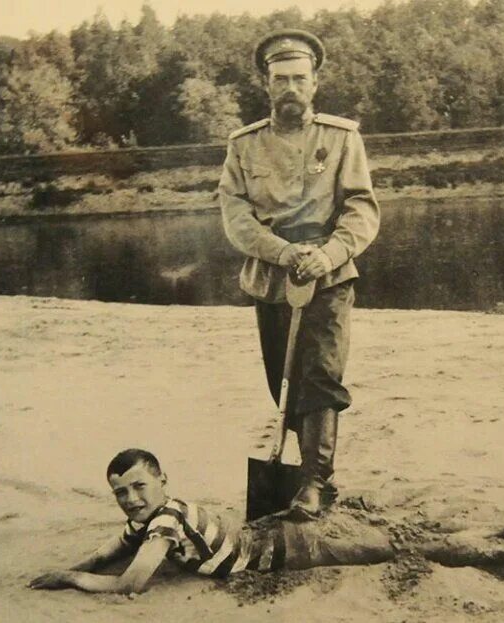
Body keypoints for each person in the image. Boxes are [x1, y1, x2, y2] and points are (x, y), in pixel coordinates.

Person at [218, 29, 380, 520]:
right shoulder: (243, 146)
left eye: (299, 79)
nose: (290, 87)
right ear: (266, 84)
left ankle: (315, 482)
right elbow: (236, 215)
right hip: (272, 275)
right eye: (280, 79)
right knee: (282, 378)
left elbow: (361, 207)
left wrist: (329, 255)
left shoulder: (341, 137)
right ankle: (299, 469)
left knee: (321, 375)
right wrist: (283, 252)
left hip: (329, 276)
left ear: (316, 82)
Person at [27, 449, 394, 595]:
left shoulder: (165, 521)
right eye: (121, 493)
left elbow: (130, 584)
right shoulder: (146, 517)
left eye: (139, 487)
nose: (131, 500)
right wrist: (72, 567)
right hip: (264, 532)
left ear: (163, 481)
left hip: (285, 550)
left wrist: (69, 578)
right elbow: (106, 553)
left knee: (387, 549)